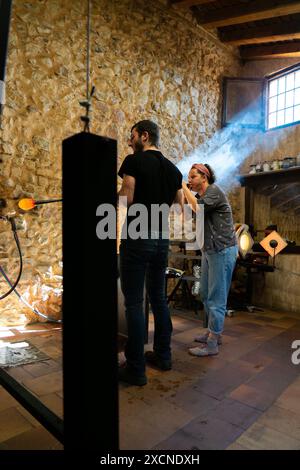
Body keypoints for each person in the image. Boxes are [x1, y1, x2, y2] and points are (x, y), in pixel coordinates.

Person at [118, 120, 183, 386]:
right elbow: (178, 206)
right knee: (158, 299)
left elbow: (127, 198)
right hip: (161, 240)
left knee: (134, 303)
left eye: (132, 136)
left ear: (144, 136)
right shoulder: (173, 169)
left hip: (137, 237)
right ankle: (163, 356)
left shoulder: (134, 161)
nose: (130, 141)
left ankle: (135, 369)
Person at [182, 163, 238, 357]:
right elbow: (191, 210)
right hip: (210, 250)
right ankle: (213, 332)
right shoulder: (203, 197)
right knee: (206, 293)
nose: (190, 180)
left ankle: (213, 343)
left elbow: (198, 209)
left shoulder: (214, 191)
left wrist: (182, 186)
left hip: (222, 250)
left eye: (193, 177)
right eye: (188, 177)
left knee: (216, 296)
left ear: (204, 178)